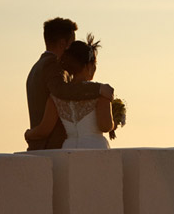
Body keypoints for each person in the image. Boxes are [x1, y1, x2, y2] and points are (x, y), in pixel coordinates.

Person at [25, 17, 113, 150]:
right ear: (62, 43)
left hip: (63, 147)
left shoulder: (37, 66)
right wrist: (99, 89)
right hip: (51, 145)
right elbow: (62, 91)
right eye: (71, 44)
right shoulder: (52, 65)